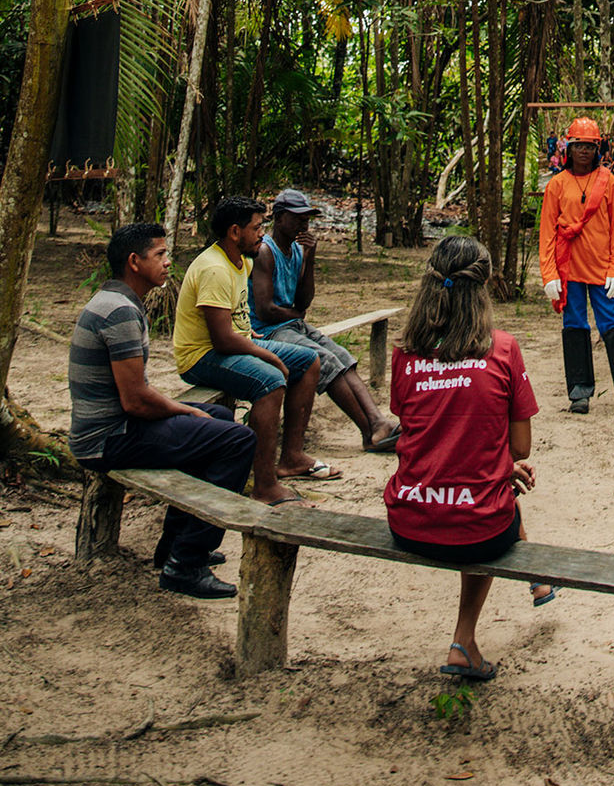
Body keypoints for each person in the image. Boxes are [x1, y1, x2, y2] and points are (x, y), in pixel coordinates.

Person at [385, 236, 552, 681]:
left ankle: (533, 582)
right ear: (483, 288)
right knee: (496, 503)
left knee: (493, 489)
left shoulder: (404, 353)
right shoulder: (503, 349)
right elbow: (521, 448)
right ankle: (464, 639)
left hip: (409, 519)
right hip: (478, 528)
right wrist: (502, 465)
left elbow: (416, 427)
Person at [70, 224, 256, 599]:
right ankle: (186, 564)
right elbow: (136, 401)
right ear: (134, 262)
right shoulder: (119, 312)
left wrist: (188, 413)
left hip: (117, 425)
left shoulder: (116, 301)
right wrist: (186, 413)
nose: (168, 262)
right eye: (160, 254)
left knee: (220, 419)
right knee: (238, 441)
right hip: (108, 438)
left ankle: (173, 544)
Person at [174, 196, 340, 506]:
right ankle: (264, 485)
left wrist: (247, 332)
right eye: (256, 228)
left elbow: (235, 318)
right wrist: (269, 355)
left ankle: (292, 456)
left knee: (309, 360)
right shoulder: (214, 269)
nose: (262, 234)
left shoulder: (243, 260)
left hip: (233, 343)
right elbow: (222, 340)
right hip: (201, 356)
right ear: (234, 232)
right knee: (271, 381)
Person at [249, 188, 401, 451]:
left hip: (291, 324)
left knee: (341, 356)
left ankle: (377, 421)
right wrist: (296, 315)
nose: (304, 224)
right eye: (298, 218)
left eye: (307, 219)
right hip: (269, 331)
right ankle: (368, 431)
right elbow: (265, 310)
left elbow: (303, 301)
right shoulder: (265, 251)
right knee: (324, 360)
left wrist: (310, 258)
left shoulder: (297, 250)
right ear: (280, 218)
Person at [539, 116, 614, 416]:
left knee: (613, 326)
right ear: (569, 148)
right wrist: (549, 274)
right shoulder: (556, 185)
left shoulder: (608, 181)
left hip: (602, 271)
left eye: (590, 146)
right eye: (579, 145)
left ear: (597, 149)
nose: (584, 151)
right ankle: (579, 393)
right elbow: (547, 233)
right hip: (569, 270)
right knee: (574, 326)